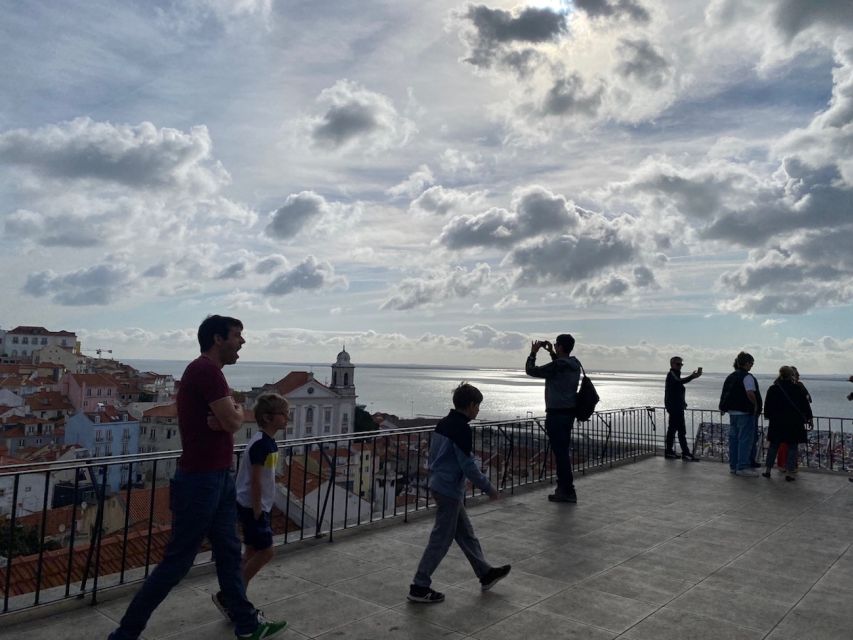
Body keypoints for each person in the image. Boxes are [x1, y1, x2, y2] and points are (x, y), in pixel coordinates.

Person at [108, 315, 287, 640]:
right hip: (201, 481)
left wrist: (230, 413)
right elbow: (235, 422)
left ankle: (247, 624)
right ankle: (124, 634)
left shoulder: (209, 374)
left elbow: (233, 416)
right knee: (177, 562)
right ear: (218, 339)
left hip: (216, 478)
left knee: (230, 553)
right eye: (237, 335)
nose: (242, 342)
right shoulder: (206, 372)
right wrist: (231, 414)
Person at [407, 382, 511, 604]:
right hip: (448, 490)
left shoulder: (443, 424)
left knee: (466, 534)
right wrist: (489, 488)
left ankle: (485, 574)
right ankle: (419, 585)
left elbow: (438, 456)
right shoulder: (462, 428)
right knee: (441, 540)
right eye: (478, 406)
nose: (479, 411)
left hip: (440, 484)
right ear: (471, 405)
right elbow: (468, 466)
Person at [212, 393, 287, 618]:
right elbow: (255, 480)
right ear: (268, 417)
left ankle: (236, 601)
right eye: (283, 414)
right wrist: (257, 510)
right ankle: (231, 595)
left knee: (252, 552)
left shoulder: (265, 442)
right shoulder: (262, 445)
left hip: (253, 504)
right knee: (267, 552)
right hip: (252, 507)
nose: (286, 418)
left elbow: (263, 477)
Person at [525, 334, 582, 503]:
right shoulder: (574, 364)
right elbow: (558, 367)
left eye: (557, 344)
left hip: (556, 414)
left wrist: (533, 353)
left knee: (561, 454)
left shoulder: (559, 365)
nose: (555, 346)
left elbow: (531, 370)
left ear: (561, 347)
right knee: (563, 452)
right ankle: (564, 489)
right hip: (568, 414)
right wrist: (551, 353)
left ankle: (567, 490)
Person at [762, 366, 812, 482]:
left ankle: (768, 471)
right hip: (793, 423)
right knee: (792, 447)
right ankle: (789, 473)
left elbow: (767, 406)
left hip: (777, 423)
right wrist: (809, 418)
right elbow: (805, 405)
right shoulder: (797, 388)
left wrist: (769, 417)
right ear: (791, 375)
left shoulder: (773, 389)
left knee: (773, 446)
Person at [719, 351, 762, 477]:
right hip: (745, 413)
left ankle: (734, 466)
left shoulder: (731, 376)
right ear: (747, 363)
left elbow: (726, 393)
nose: (752, 366)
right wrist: (755, 405)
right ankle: (742, 467)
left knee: (734, 440)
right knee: (745, 440)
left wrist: (723, 407)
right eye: (751, 363)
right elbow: (750, 393)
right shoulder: (747, 377)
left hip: (733, 413)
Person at [664, 356, 703, 461]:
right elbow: (679, 382)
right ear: (672, 364)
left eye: (681, 364)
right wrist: (692, 376)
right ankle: (685, 453)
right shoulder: (672, 374)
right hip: (675, 407)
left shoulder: (675, 374)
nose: (680, 366)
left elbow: (677, 390)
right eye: (678, 364)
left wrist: (683, 402)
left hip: (676, 406)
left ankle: (669, 452)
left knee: (672, 429)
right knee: (681, 430)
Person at [776, 366, 812, 472]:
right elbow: (808, 400)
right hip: (794, 419)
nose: (799, 375)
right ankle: (789, 466)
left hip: (782, 419)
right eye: (797, 374)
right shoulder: (798, 386)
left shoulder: (777, 385)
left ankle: (784, 465)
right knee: (791, 444)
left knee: (785, 443)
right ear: (792, 375)